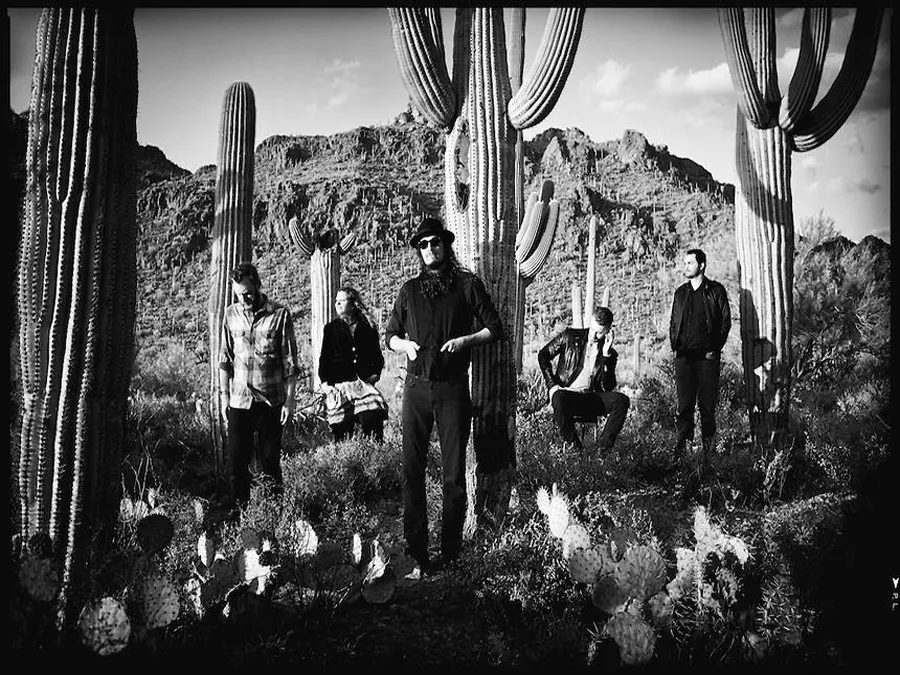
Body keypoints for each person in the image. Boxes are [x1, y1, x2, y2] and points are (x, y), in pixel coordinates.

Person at [384, 216, 504, 572]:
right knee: (412, 471)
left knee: (453, 474)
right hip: (416, 388)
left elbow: (494, 328)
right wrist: (405, 345)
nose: (429, 249)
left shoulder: (467, 285)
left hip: (453, 389)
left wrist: (466, 340)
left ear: (445, 245)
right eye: (423, 244)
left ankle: (451, 554)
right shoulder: (409, 290)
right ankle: (416, 554)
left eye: (435, 242)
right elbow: (390, 336)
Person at [218, 263, 300, 507]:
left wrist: (290, 400)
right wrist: (224, 397)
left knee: (270, 463)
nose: (243, 299)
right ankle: (240, 516)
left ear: (257, 285)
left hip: (270, 400)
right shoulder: (230, 314)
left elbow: (290, 363)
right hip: (239, 400)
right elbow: (224, 360)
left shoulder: (280, 314)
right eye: (238, 295)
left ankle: (273, 515)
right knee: (236, 464)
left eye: (247, 293)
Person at [537, 307, 630, 452]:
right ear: (590, 322)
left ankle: (603, 450)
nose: (594, 335)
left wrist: (606, 356)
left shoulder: (610, 353)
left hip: (591, 398)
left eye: (600, 332)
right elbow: (543, 355)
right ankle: (576, 449)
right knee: (558, 397)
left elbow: (608, 387)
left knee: (621, 400)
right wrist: (552, 385)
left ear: (608, 330)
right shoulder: (569, 336)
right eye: (593, 329)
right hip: (567, 395)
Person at [668, 248, 731, 460]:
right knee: (684, 408)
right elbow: (673, 322)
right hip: (684, 358)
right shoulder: (680, 293)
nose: (685, 266)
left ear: (701, 265)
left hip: (707, 359)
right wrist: (675, 347)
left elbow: (725, 322)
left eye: (690, 263)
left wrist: (715, 349)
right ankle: (682, 454)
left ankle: (708, 454)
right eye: (685, 263)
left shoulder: (716, 290)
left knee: (707, 408)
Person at [318, 286, 389, 442]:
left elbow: (377, 357)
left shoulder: (367, 327)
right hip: (339, 386)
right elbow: (324, 359)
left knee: (373, 419)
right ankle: (346, 457)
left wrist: (374, 375)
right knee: (341, 432)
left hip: (363, 384)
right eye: (336, 301)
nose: (337, 304)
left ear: (352, 304)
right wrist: (325, 384)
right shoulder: (331, 329)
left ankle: (374, 454)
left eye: (341, 301)